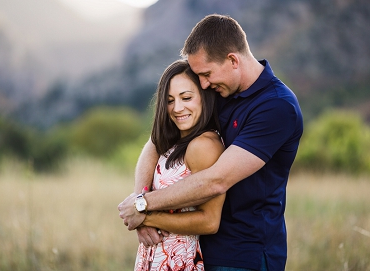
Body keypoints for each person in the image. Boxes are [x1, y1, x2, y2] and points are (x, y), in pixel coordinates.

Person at [118, 14, 303, 271]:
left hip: (244, 254)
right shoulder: (220, 88)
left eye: (206, 74)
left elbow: (217, 180)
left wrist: (144, 208)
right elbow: (156, 140)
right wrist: (141, 199)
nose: (203, 84)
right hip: (200, 252)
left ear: (232, 60)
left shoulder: (276, 106)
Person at [131, 59, 225, 271]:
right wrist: (140, 202)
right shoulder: (173, 141)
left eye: (186, 97)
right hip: (154, 259)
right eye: (170, 100)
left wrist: (145, 217)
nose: (177, 108)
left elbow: (210, 222)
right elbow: (152, 143)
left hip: (178, 262)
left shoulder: (204, 145)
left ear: (204, 97)